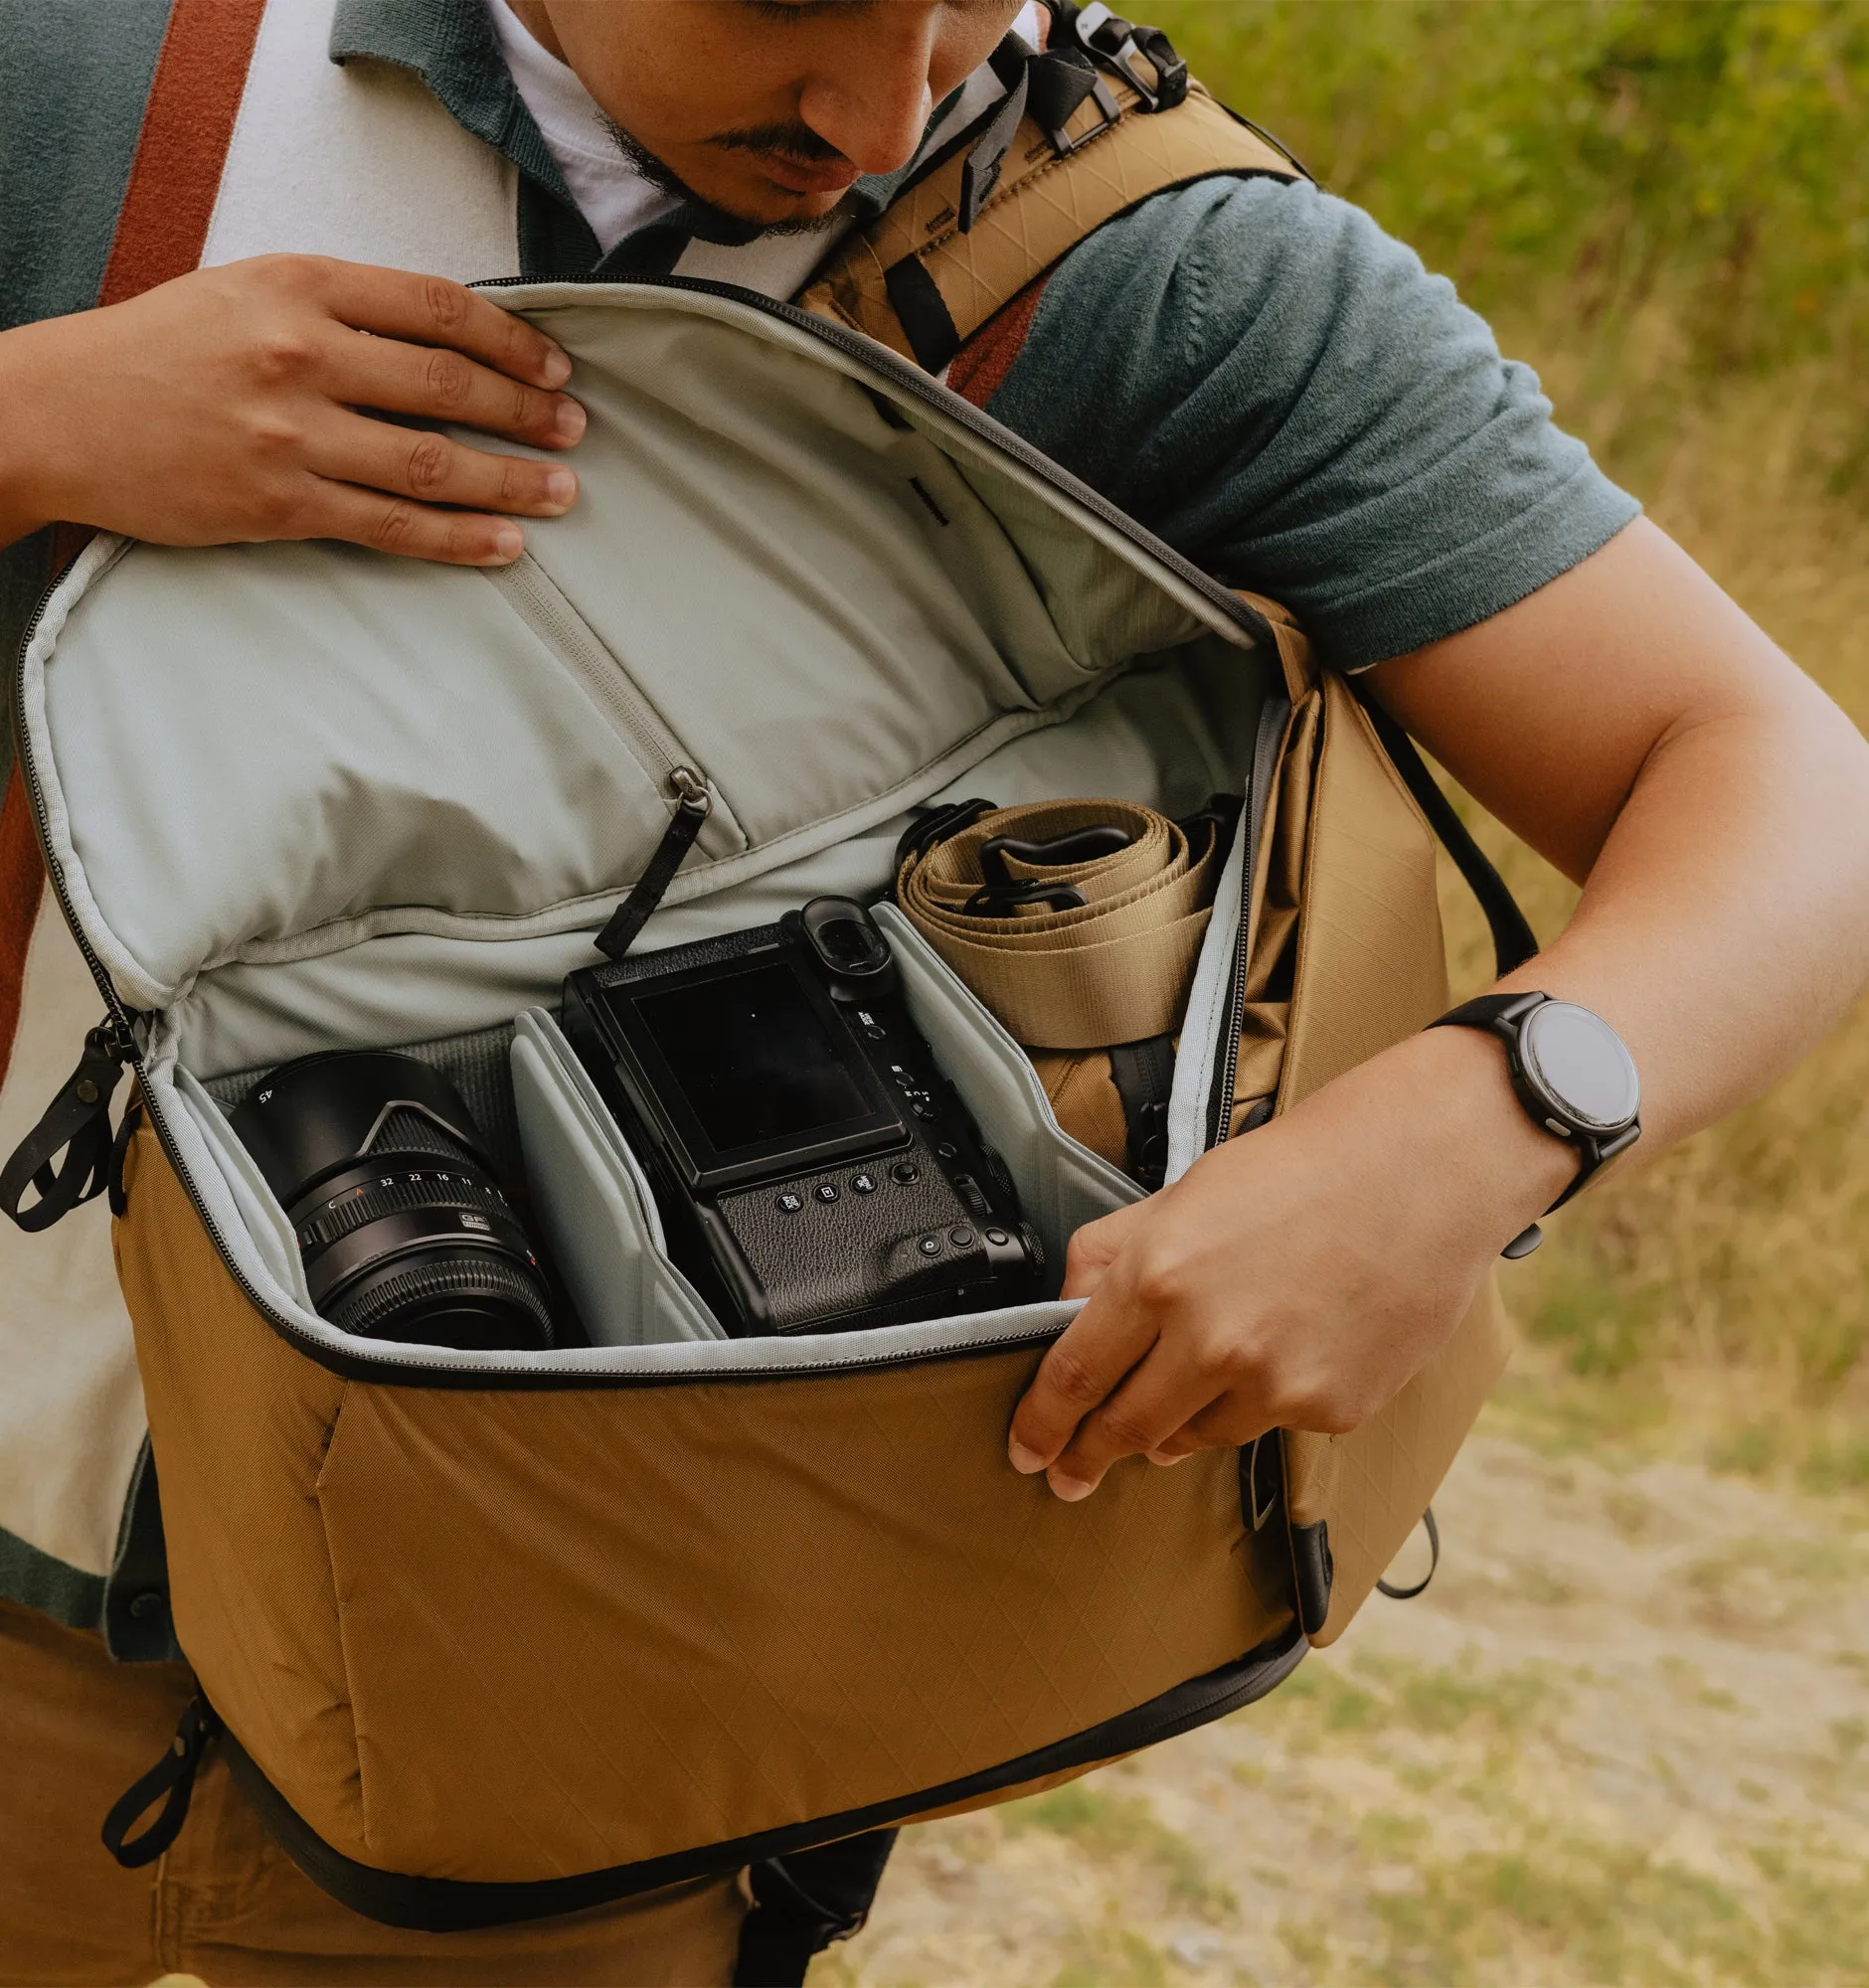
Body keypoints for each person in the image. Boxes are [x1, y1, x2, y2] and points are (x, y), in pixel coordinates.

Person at [4, 2, 1867, 1981]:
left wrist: (1481, 1120)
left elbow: (1782, 783)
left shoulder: (1133, 258)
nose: (883, 116)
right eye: (787, 4)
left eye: (959, 2)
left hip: (617, 1741)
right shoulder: (95, 72)